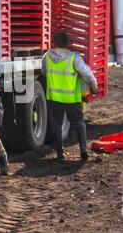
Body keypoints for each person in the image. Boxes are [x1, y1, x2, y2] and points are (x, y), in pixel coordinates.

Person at [41, 31, 98, 162]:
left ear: (54, 42)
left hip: (54, 98)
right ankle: (83, 151)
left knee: (56, 125)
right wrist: (94, 88)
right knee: (79, 124)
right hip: (71, 99)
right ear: (67, 43)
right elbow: (88, 75)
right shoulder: (74, 57)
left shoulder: (46, 57)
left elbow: (44, 72)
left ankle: (60, 153)